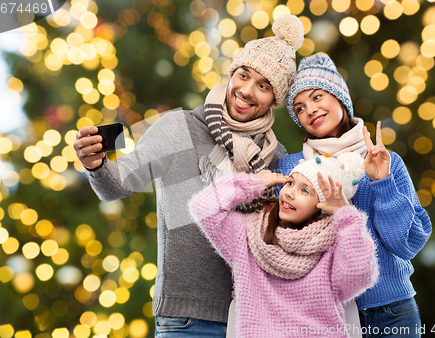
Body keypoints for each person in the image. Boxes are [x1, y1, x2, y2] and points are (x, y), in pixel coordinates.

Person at [73, 14, 304, 338]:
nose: (247, 91)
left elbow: (281, 241)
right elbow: (118, 184)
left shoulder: (276, 158)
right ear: (232, 72)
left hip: (254, 319)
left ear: (275, 99)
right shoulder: (178, 127)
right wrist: (95, 163)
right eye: (244, 75)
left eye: (263, 86)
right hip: (185, 319)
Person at [276, 53, 432, 337]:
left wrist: (382, 182)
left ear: (340, 99)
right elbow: (280, 243)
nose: (309, 110)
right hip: (323, 316)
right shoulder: (292, 168)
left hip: (391, 312)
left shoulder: (385, 161)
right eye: (299, 108)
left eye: (317, 97)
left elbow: (406, 245)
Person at [189, 153, 378, 338]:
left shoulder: (335, 246)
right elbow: (203, 207)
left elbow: (359, 276)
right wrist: (252, 184)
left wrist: (346, 216)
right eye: (290, 182)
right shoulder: (248, 234)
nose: (288, 193)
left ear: (322, 206)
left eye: (304, 190)